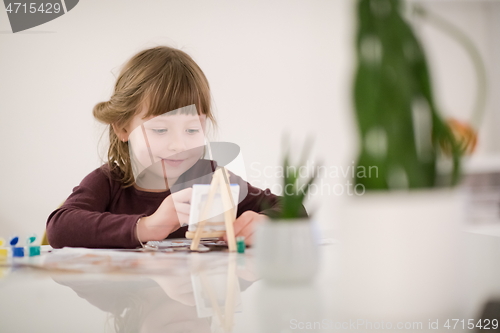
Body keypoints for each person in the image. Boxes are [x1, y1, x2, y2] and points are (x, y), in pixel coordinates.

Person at [46, 46, 307, 249]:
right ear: (123, 128)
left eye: (192, 130)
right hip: (130, 300)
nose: (178, 145)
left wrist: (266, 224)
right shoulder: (108, 183)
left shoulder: (210, 179)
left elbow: (294, 210)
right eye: (160, 130)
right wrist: (146, 227)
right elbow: (60, 228)